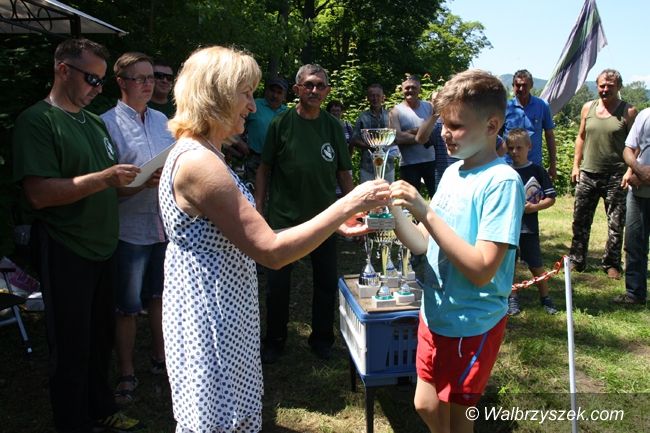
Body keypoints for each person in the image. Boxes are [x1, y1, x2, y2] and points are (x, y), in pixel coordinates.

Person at [158, 46, 388, 433]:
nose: (252, 106)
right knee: (217, 419)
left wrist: (332, 225)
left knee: (232, 414)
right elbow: (271, 252)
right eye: (245, 94)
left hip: (224, 304)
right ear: (215, 95)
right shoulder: (199, 163)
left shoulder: (205, 153)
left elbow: (245, 239)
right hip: (212, 314)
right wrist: (349, 204)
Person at [12, 38, 143, 432]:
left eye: (102, 81)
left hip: (104, 246)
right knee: (71, 342)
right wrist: (104, 178)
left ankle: (100, 408)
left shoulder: (93, 122)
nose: (98, 89)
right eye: (92, 79)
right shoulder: (38, 121)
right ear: (63, 69)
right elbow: (39, 194)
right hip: (66, 246)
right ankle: (72, 421)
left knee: (100, 337)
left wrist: (140, 182)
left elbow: (108, 188)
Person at [388, 69, 524, 433]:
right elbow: (424, 241)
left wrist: (425, 211)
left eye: (456, 126)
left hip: (471, 323)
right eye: (443, 124)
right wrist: (393, 212)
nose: (444, 133)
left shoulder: (502, 182)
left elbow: (481, 269)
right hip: (435, 314)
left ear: (492, 125)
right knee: (425, 404)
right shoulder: (452, 173)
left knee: (459, 418)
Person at [255, 64, 354, 364]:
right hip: (283, 219)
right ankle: (275, 340)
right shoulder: (281, 123)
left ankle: (322, 339)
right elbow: (264, 168)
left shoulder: (333, 126)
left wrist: (353, 210)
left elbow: (344, 172)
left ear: (327, 91)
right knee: (277, 285)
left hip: (324, 219)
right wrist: (259, 207)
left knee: (326, 282)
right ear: (297, 89)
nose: (314, 90)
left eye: (320, 85)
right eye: (309, 85)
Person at [101, 52, 175, 404]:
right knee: (127, 306)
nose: (148, 84)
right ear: (121, 82)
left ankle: (162, 359)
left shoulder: (163, 121)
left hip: (164, 225)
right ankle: (127, 371)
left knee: (160, 297)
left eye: (152, 77)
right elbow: (103, 187)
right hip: (128, 229)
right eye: (140, 78)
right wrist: (139, 183)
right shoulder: (107, 124)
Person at [569, 69, 638, 279]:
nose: (605, 89)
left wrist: (630, 170)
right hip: (588, 173)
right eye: (602, 86)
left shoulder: (628, 111)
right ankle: (576, 259)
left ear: (619, 87)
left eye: (610, 86)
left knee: (615, 223)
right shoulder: (588, 108)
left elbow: (636, 145)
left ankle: (612, 264)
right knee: (580, 220)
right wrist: (576, 165)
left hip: (616, 175)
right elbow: (581, 137)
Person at [505, 128, 558, 315]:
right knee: (508, 265)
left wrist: (533, 207)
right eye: (510, 148)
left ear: (529, 146)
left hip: (528, 228)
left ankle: (545, 297)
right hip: (507, 228)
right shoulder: (504, 171)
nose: (514, 152)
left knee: (535, 264)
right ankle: (512, 299)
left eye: (519, 147)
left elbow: (551, 198)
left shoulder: (537, 171)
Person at [617, 107, 650, 305]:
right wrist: (637, 169)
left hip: (641, 182)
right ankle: (635, 293)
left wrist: (646, 176)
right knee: (634, 243)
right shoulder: (645, 115)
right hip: (638, 192)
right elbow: (628, 149)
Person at [503, 69, 557, 179]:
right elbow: (495, 137)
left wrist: (553, 164)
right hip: (509, 166)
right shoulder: (505, 107)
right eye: (518, 85)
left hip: (534, 166)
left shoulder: (542, 106)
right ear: (513, 86)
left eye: (524, 85)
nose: (521, 89)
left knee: (533, 190)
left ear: (531, 85)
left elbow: (549, 135)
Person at [389, 75, 437, 196]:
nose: (410, 90)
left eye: (413, 87)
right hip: (409, 164)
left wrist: (410, 132)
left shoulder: (429, 107)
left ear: (419, 89)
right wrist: (423, 137)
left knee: (437, 197)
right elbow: (397, 138)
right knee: (410, 200)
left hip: (431, 161)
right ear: (402, 90)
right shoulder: (395, 111)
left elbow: (435, 130)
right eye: (407, 88)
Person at [350, 84, 397, 183]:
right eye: (372, 95)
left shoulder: (390, 116)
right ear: (368, 98)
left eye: (378, 95)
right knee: (368, 193)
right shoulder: (362, 117)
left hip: (388, 165)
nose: (375, 98)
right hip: (367, 166)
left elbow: (396, 137)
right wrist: (371, 147)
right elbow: (354, 139)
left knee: (388, 192)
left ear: (383, 97)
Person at [415, 91, 456, 189]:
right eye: (435, 101)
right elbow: (420, 139)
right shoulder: (437, 124)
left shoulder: (469, 123)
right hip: (443, 180)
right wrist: (436, 114)